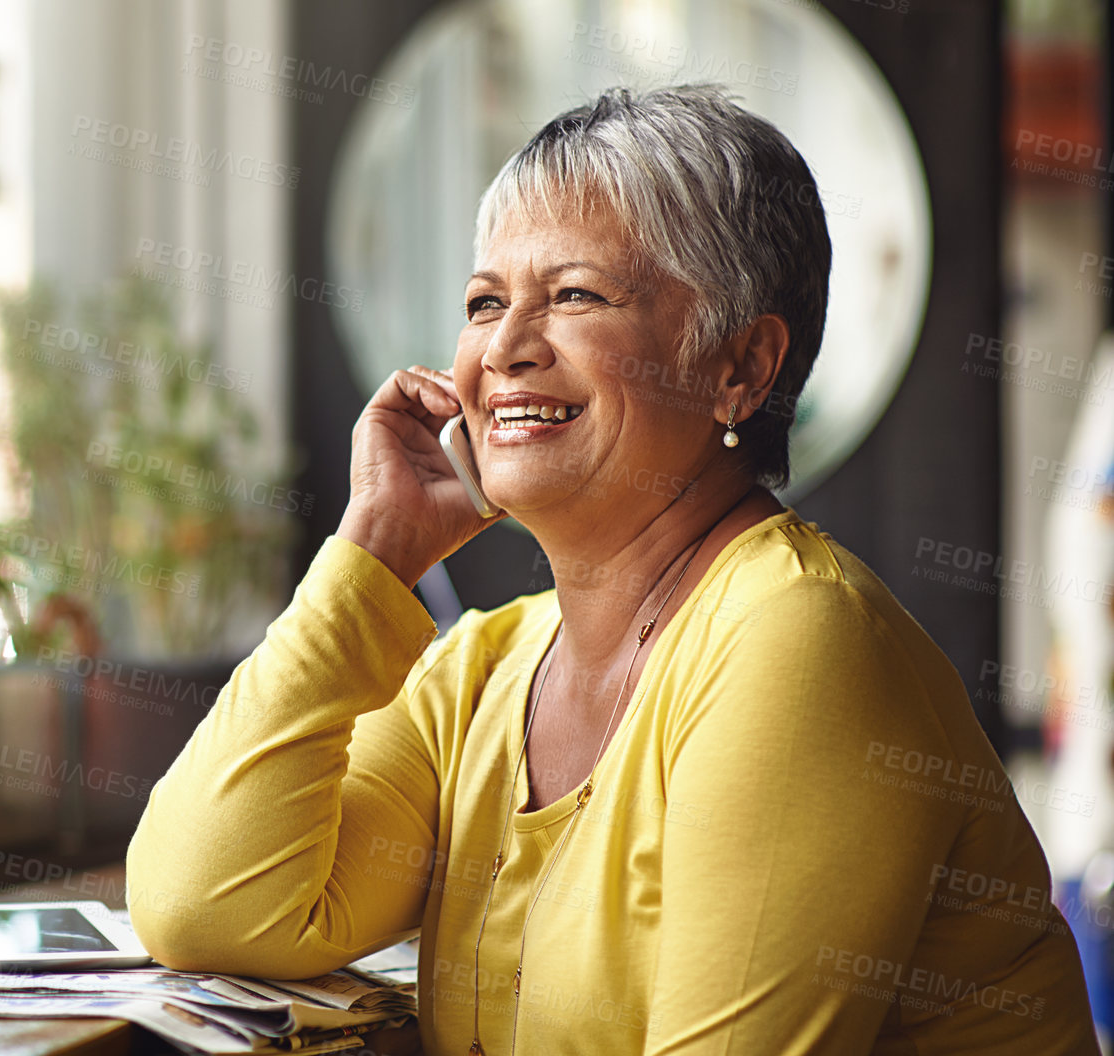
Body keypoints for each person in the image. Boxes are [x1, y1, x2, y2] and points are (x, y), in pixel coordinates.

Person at [124, 85, 1098, 1054]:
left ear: (741, 367)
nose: (502, 347)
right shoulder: (485, 673)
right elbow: (204, 904)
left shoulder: (795, 643)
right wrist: (373, 551)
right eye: (483, 302)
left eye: (574, 295)